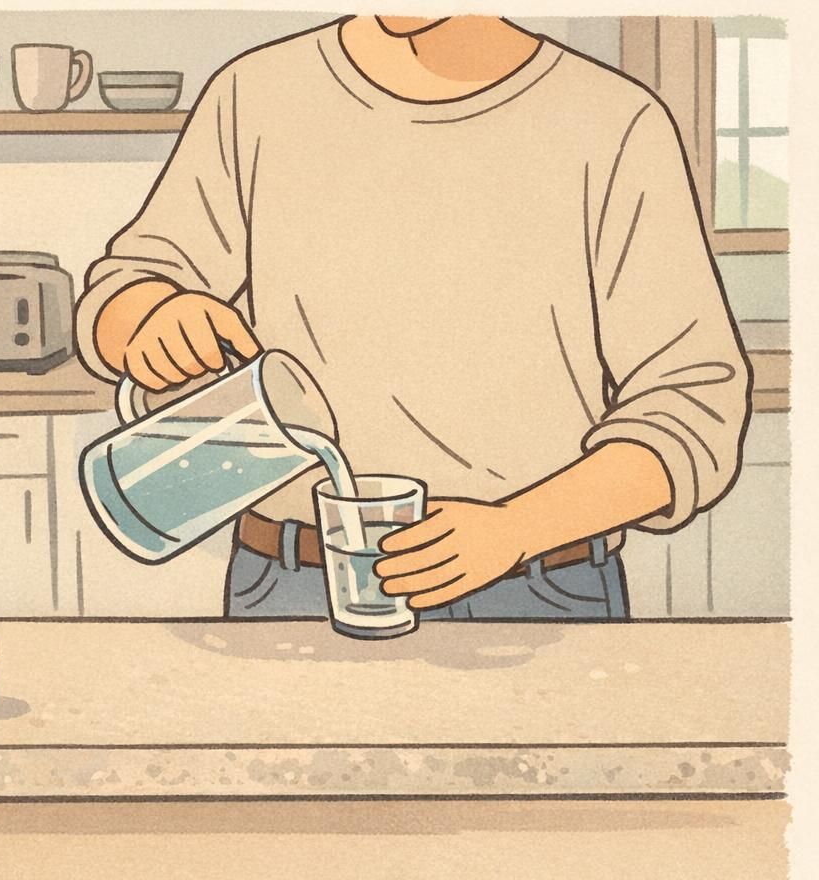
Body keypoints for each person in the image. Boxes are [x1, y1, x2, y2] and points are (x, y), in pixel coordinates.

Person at [75, 14, 750, 620]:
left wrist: (515, 528)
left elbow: (692, 405)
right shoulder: (256, 94)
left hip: (540, 590)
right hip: (292, 584)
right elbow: (126, 288)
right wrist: (151, 317)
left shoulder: (613, 121)